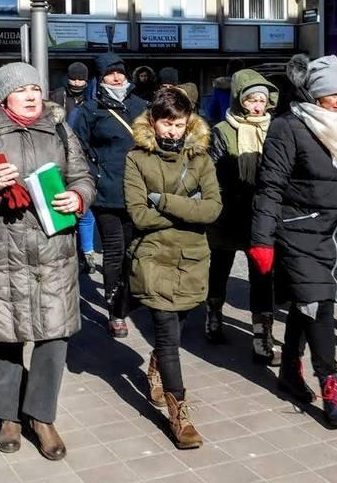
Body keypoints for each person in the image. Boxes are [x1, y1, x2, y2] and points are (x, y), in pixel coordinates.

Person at [0, 62, 95, 461]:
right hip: (0, 252)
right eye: (22, 90)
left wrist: (79, 198)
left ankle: (41, 416)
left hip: (53, 252)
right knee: (6, 337)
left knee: (53, 336)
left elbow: (84, 176)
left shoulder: (60, 128)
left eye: (36, 88)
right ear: (3, 96)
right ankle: (9, 416)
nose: (32, 96)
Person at [251, 54, 337, 427]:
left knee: (308, 305)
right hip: (298, 232)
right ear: (314, 94)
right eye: (332, 94)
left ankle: (290, 371)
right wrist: (262, 240)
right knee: (320, 307)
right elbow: (269, 187)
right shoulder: (288, 128)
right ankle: (331, 388)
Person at [124, 87, 221, 449]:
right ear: (153, 121)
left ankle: (154, 368)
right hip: (154, 256)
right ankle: (180, 416)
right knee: (167, 336)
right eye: (166, 123)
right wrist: (187, 209)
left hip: (193, 258)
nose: (172, 131)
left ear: (188, 123)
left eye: (178, 124)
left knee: (176, 331)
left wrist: (162, 201)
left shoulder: (202, 159)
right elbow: (137, 214)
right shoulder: (136, 158)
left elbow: (212, 210)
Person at [206, 69, 280, 365]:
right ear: (240, 100)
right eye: (251, 99)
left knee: (263, 275)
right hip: (228, 212)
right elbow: (211, 173)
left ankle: (263, 337)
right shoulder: (223, 130)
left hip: (261, 216)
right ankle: (213, 316)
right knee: (220, 267)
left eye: (262, 100)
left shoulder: (275, 129)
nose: (257, 106)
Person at [71, 52, 147, 337]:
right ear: (99, 78)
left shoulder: (142, 106)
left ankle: (133, 298)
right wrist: (95, 174)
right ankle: (116, 312)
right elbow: (76, 148)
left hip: (139, 191)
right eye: (109, 74)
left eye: (120, 72)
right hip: (107, 192)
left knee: (135, 249)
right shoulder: (90, 109)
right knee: (115, 251)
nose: (116, 78)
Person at [51, 62, 98, 274]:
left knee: (85, 209)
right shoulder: (57, 97)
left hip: (85, 157)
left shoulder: (93, 96)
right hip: (60, 156)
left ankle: (87, 252)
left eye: (81, 79)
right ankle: (66, 252)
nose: (77, 83)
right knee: (63, 206)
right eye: (74, 78)